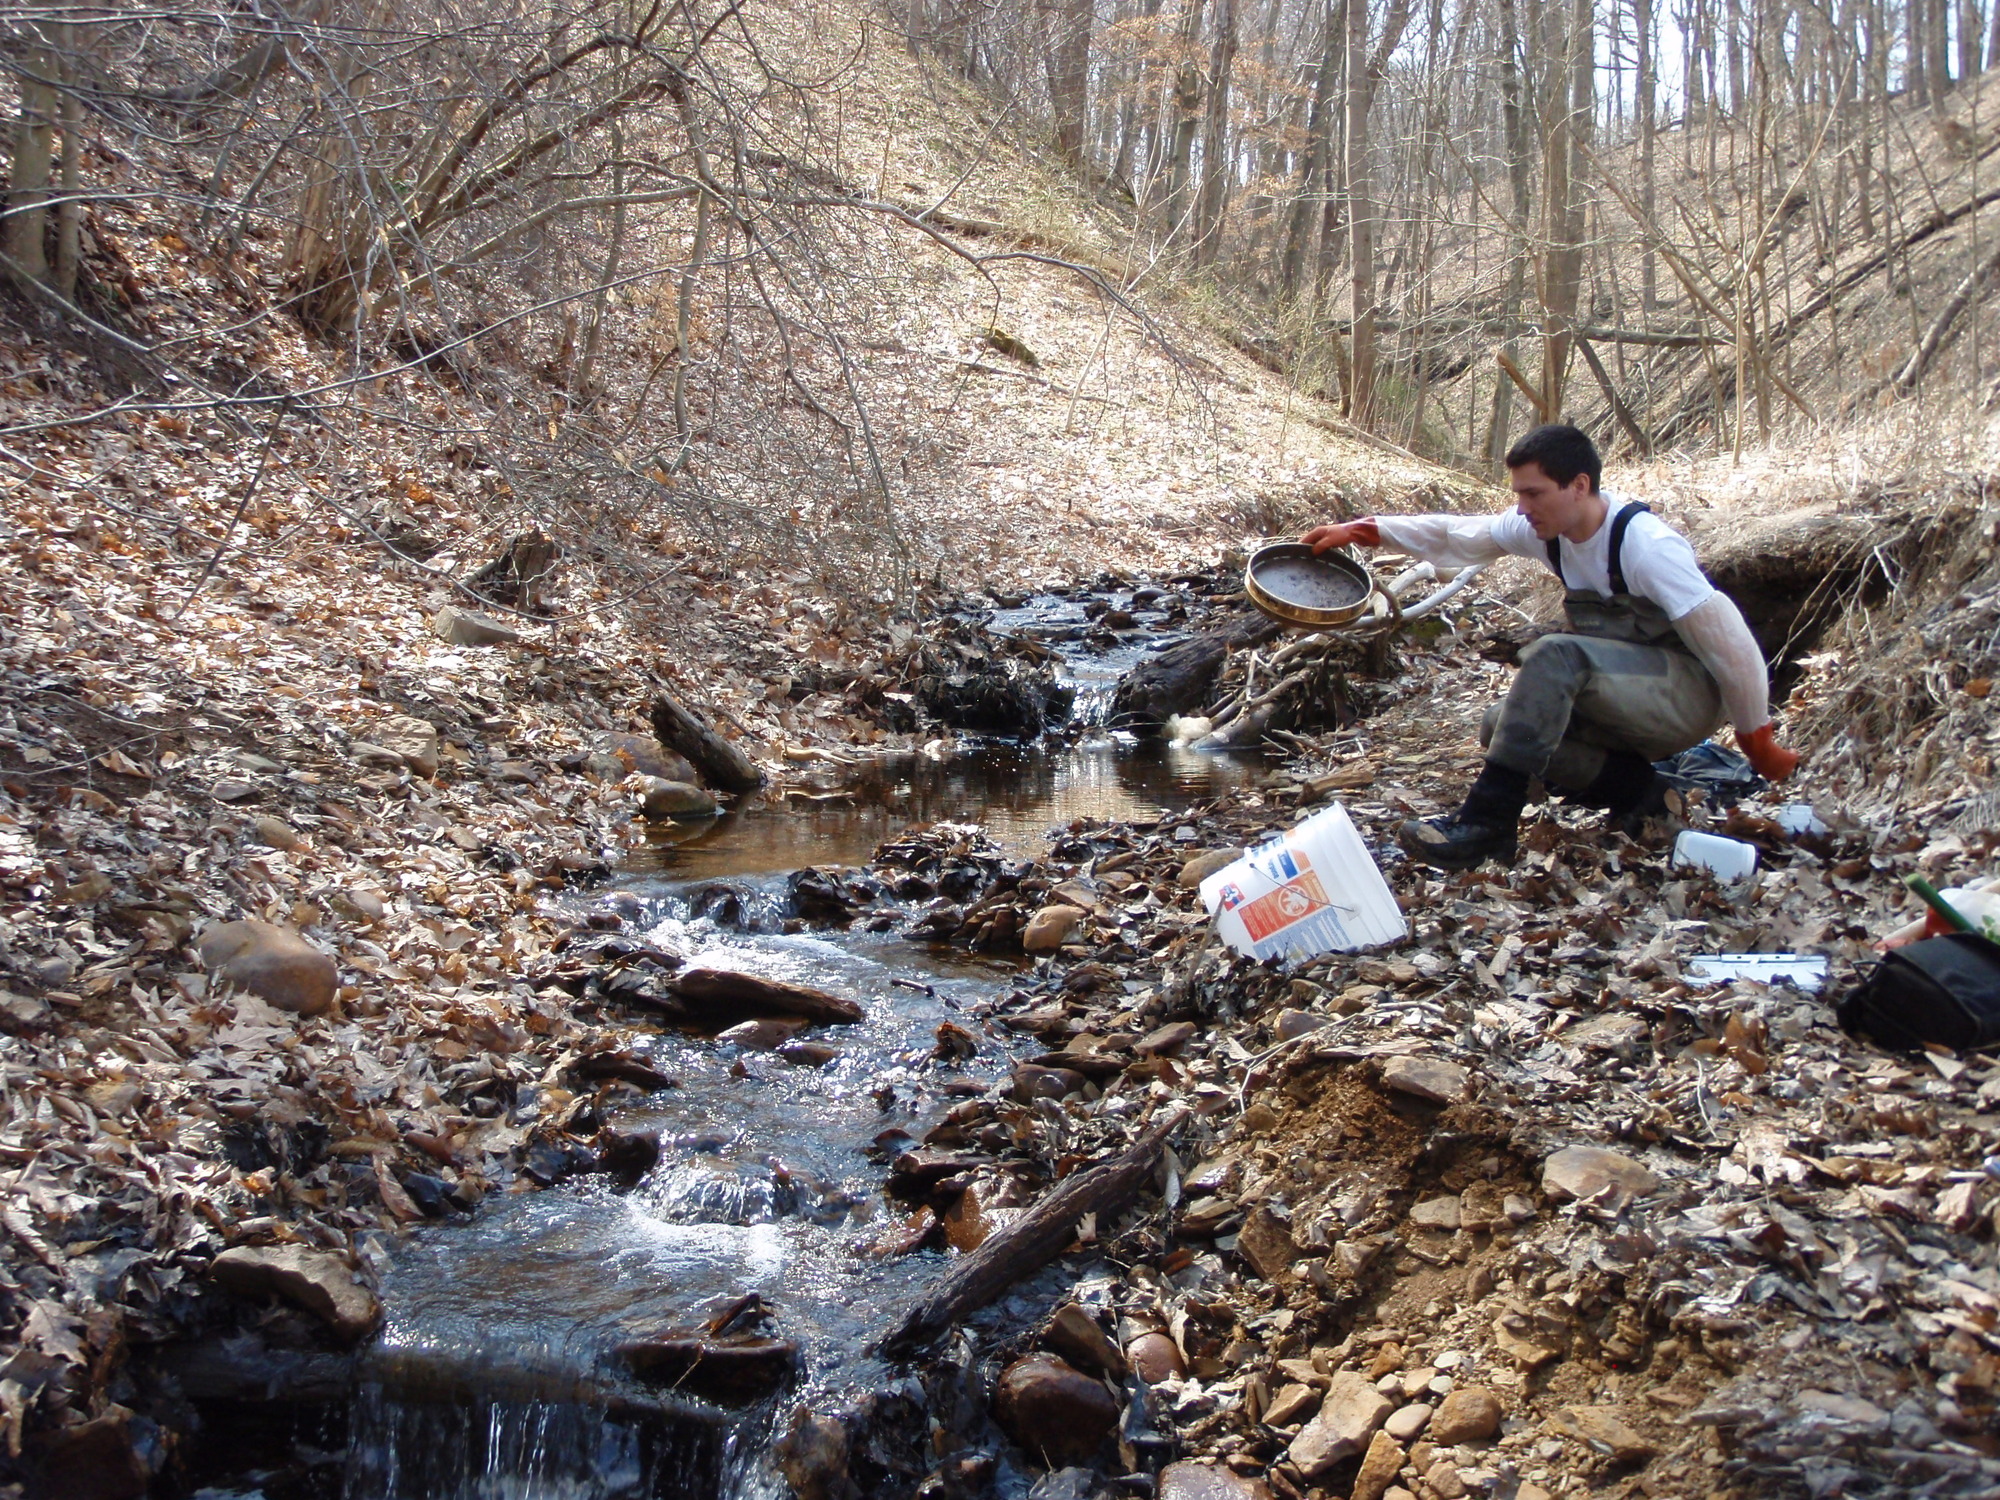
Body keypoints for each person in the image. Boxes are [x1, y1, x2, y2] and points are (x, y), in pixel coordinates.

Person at [1300, 423, 1801, 870]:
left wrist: (1758, 743)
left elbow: (1729, 643)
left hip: (1685, 701)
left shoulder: (1647, 546)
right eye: (1519, 494)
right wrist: (1364, 530)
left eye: (1534, 494)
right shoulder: (1547, 531)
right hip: (1623, 698)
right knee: (1503, 726)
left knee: (1555, 653)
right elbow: (1460, 533)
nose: (1523, 508)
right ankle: (1645, 793)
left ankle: (1486, 823)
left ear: (1579, 485)